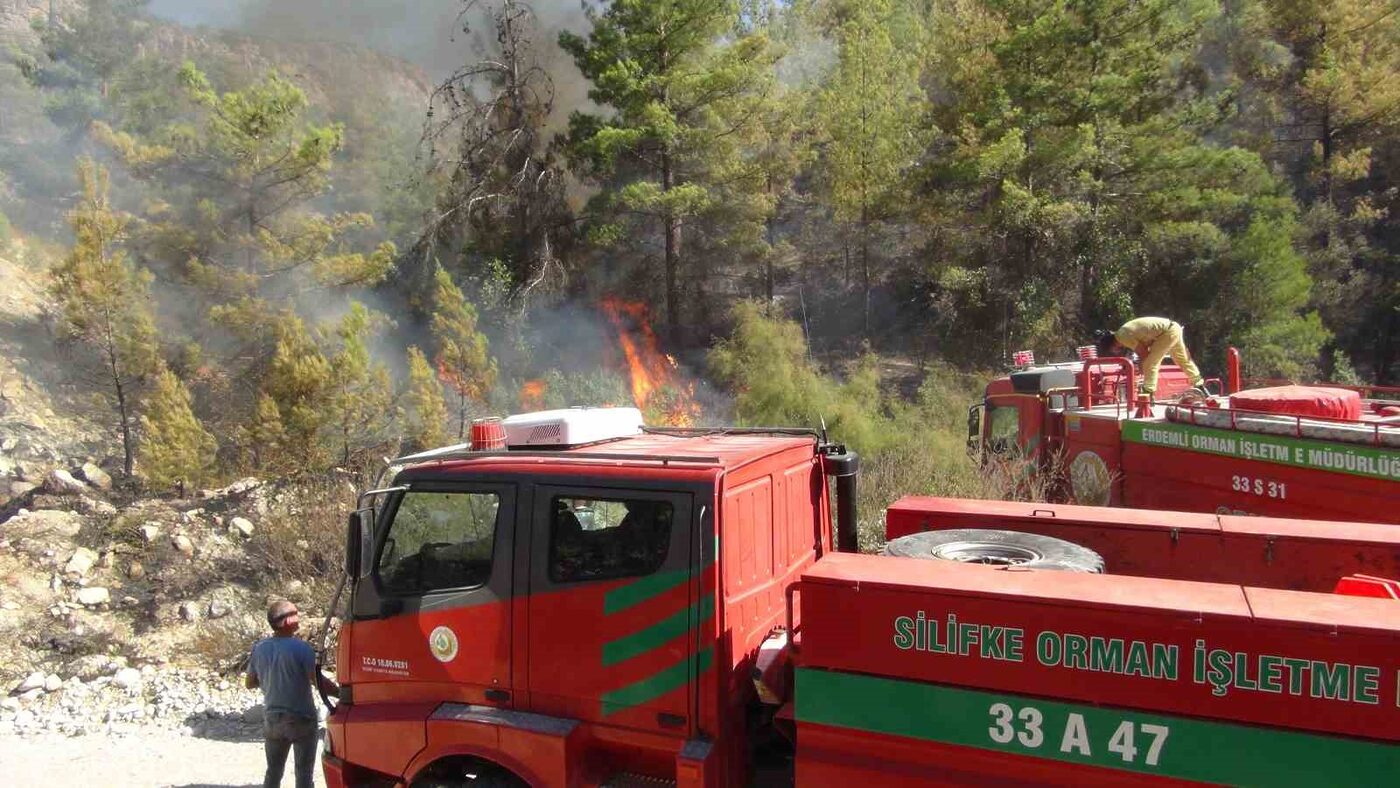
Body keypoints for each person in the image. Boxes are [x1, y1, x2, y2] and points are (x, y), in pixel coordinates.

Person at [247, 599, 337, 788]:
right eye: (295, 612)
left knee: (273, 772)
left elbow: (250, 683)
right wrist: (341, 693)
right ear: (287, 621)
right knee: (303, 774)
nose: (299, 616)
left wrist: (270, 677)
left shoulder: (259, 648)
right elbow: (317, 682)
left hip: (272, 719)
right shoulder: (302, 649)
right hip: (301, 718)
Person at [1094, 317, 1206, 398]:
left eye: (1112, 350)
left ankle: (1147, 393)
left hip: (1167, 332)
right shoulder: (1122, 332)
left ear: (1111, 345)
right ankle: (1200, 385)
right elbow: (1143, 350)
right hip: (1173, 327)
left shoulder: (1122, 337)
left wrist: (1142, 369)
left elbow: (1144, 354)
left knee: (1150, 363)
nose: (1114, 352)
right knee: (1182, 359)